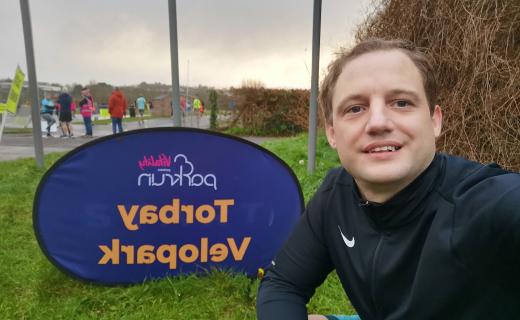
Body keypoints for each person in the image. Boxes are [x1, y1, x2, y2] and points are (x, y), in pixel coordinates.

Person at [256, 38, 520, 319]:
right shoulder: (336, 194)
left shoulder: (483, 200)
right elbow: (283, 284)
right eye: (355, 108)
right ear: (332, 133)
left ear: (435, 121)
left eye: (401, 103)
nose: (378, 122)